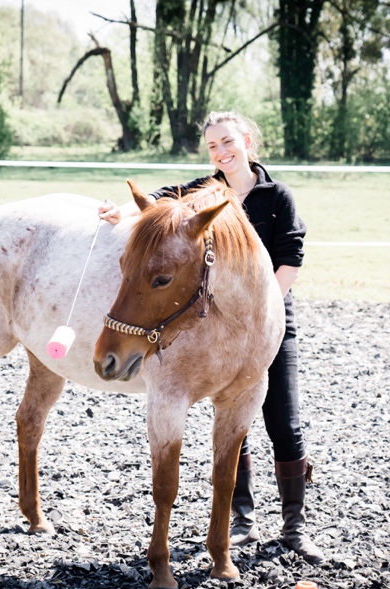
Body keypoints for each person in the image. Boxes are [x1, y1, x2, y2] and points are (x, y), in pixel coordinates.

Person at [98, 111, 324, 565]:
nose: (221, 153)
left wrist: (260, 318)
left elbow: (291, 260)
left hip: (267, 323)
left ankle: (294, 526)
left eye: (227, 142)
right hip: (215, 326)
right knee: (232, 424)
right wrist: (121, 210)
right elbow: (160, 202)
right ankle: (241, 518)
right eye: (213, 147)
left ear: (246, 141)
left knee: (284, 421)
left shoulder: (276, 196)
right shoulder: (203, 193)